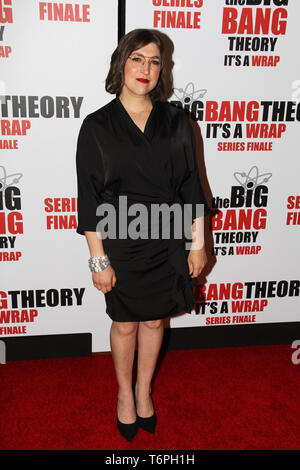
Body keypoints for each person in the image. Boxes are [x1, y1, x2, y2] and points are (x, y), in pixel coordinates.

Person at [75, 28, 211, 442]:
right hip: (120, 242)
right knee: (126, 323)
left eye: (154, 61)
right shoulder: (97, 126)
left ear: (161, 71)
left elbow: (191, 183)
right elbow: (90, 197)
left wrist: (198, 242)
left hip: (167, 239)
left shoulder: (176, 120)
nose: (146, 69)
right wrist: (99, 260)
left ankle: (143, 390)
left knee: (155, 322)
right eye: (137, 59)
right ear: (121, 64)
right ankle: (123, 394)